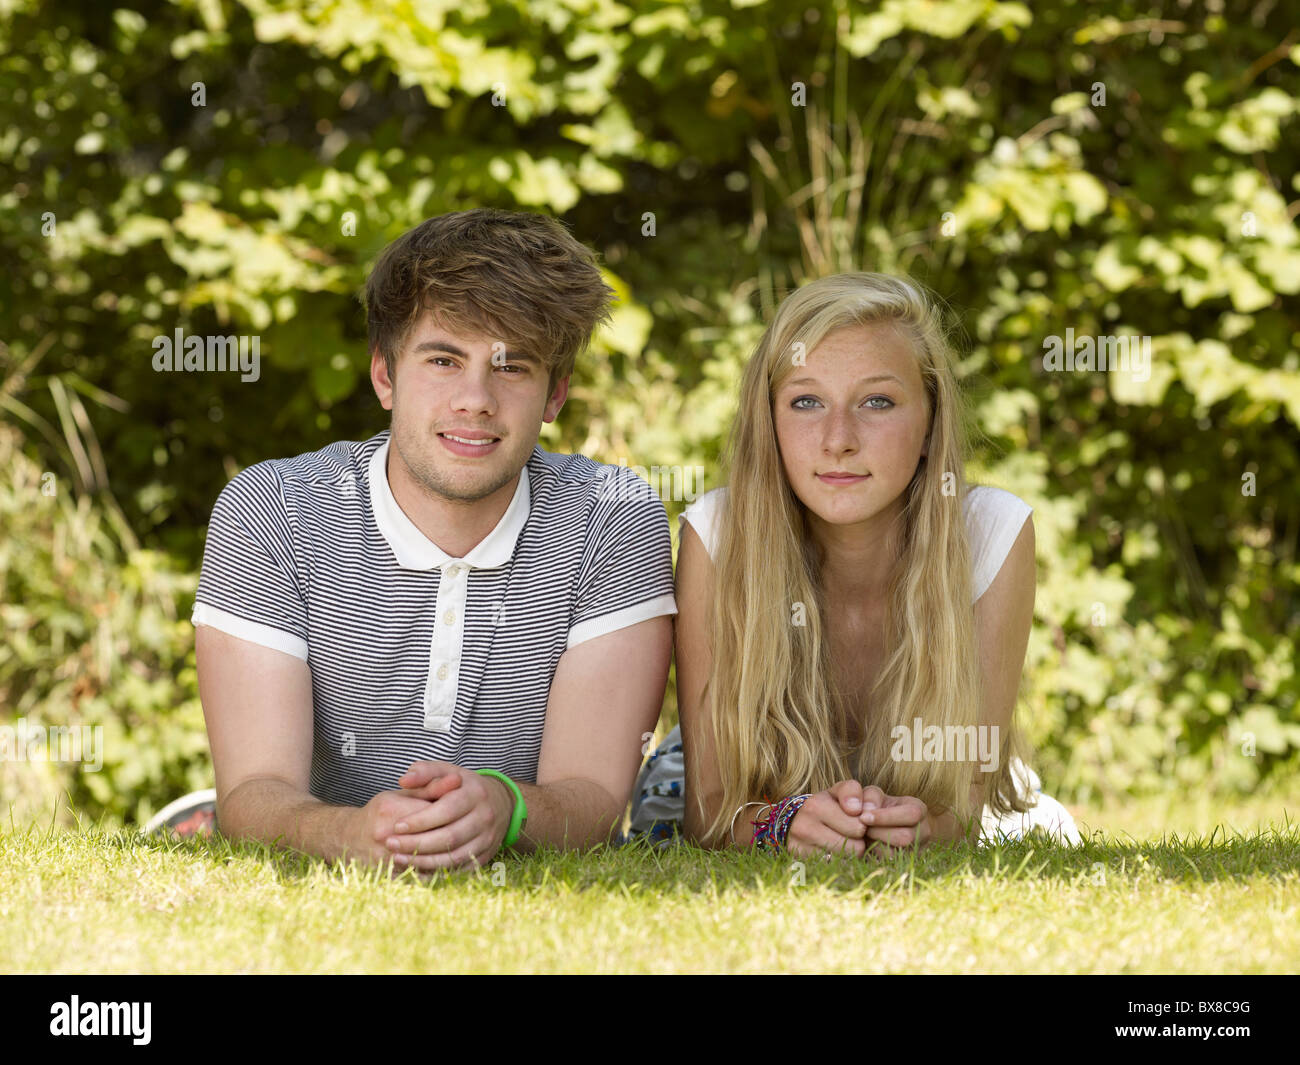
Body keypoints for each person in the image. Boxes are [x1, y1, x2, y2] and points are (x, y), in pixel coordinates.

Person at [188, 208, 676, 873]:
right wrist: (351, 833)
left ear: (555, 395)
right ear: (385, 377)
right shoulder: (273, 510)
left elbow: (590, 800)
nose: (476, 399)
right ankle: (180, 814)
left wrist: (505, 809)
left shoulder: (612, 517)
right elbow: (251, 795)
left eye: (512, 368)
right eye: (444, 360)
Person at [628, 272, 1081, 855]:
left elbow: (967, 799)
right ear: (770, 423)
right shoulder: (719, 533)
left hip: (937, 794)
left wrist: (923, 825)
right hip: (756, 799)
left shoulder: (991, 531)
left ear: (928, 425)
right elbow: (712, 812)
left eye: (877, 401)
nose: (838, 438)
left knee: (1030, 829)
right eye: (806, 401)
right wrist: (783, 823)